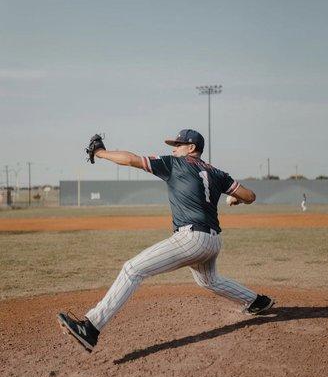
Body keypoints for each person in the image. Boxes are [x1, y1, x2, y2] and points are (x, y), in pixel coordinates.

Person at [57, 129, 274, 352]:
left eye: (179, 145)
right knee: (208, 280)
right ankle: (256, 301)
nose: (174, 148)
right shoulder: (217, 173)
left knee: (133, 269)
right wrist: (235, 199)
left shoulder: (174, 164)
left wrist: (101, 153)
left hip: (192, 239)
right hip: (213, 241)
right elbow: (250, 196)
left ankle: (91, 327)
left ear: (191, 148)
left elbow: (132, 160)